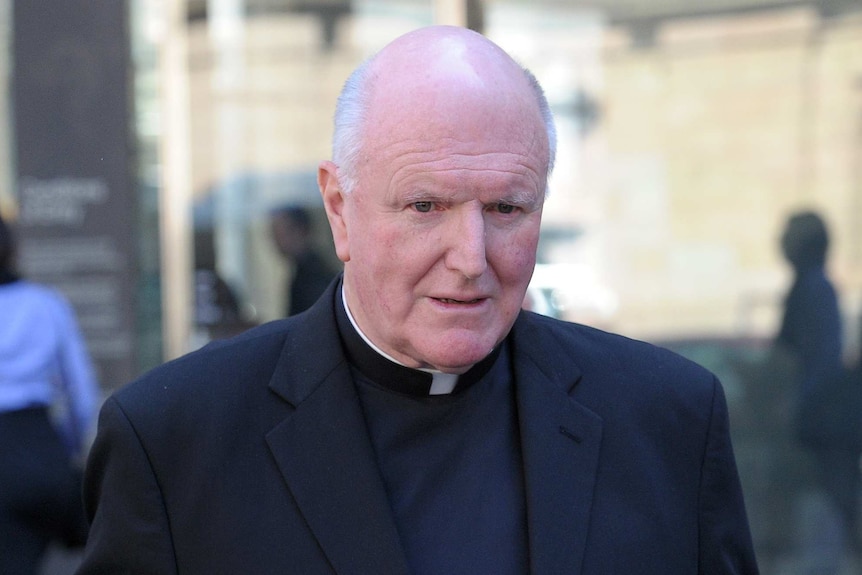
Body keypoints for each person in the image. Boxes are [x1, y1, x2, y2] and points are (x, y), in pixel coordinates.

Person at [77, 26, 758, 574]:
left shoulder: (669, 420)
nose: (470, 257)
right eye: (426, 205)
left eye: (506, 207)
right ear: (340, 209)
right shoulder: (174, 442)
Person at [0, 212, 99, 574]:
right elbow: (81, 394)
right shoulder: (45, 304)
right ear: (12, 250)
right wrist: (65, 454)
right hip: (38, 446)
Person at [775, 210, 861, 565]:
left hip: (823, 423)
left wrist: (796, 406)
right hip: (818, 420)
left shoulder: (815, 290)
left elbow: (819, 361)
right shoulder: (809, 287)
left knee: (839, 501)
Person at [270, 205, 339, 316]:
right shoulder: (303, 269)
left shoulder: (313, 274)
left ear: (299, 230)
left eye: (279, 233)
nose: (275, 240)